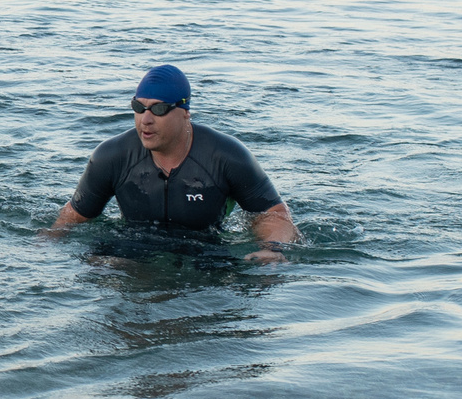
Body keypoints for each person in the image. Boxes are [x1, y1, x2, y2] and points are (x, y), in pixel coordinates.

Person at [50, 64, 300, 259]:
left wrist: (273, 249)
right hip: (133, 245)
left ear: (185, 112)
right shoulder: (111, 157)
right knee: (104, 267)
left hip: (206, 248)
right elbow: (73, 216)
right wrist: (43, 248)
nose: (145, 119)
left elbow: (274, 214)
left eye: (158, 110)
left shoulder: (226, 157)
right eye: (139, 107)